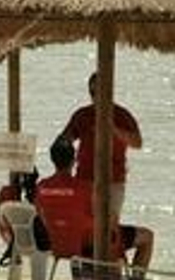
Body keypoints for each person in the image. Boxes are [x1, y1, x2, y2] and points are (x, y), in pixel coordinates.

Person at [35, 138, 154, 269]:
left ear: (53, 160)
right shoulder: (85, 189)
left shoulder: (41, 188)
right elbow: (109, 218)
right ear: (73, 160)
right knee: (147, 236)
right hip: (89, 246)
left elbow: (42, 217)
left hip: (59, 245)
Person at [57, 72, 142, 228]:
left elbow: (137, 143)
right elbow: (64, 140)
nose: (96, 97)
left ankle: (109, 252)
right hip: (84, 179)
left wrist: (114, 130)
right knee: (84, 226)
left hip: (113, 181)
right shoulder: (82, 115)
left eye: (101, 92)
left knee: (110, 228)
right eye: (93, 93)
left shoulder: (121, 115)